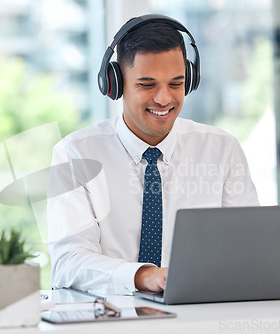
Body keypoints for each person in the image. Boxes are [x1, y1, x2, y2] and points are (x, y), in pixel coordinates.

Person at [47, 14, 259, 295]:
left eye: (176, 83)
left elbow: (250, 250)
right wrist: (142, 276)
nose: (163, 98)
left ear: (191, 80)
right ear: (116, 84)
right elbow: (67, 263)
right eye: (147, 85)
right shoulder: (74, 155)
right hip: (113, 319)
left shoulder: (222, 150)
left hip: (200, 316)